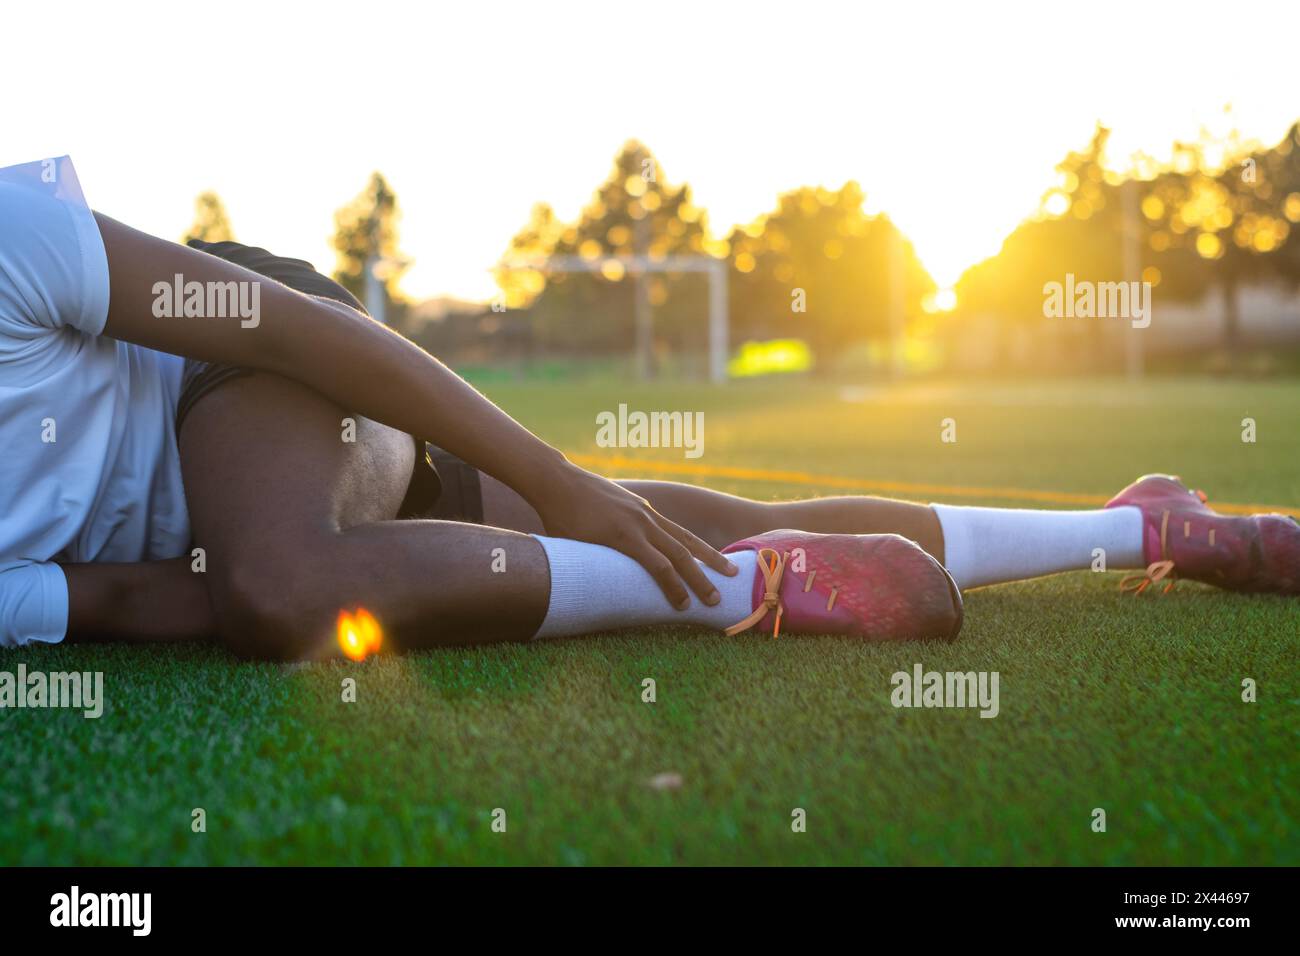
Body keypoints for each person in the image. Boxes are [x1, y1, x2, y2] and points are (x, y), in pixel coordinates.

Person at [2, 158, 1296, 660]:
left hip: (284, 383)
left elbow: (297, 326)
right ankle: (1145, 531)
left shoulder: (14, 235)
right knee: (706, 514)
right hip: (286, 517)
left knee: (281, 583)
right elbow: (116, 603)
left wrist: (557, 480)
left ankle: (751, 592)